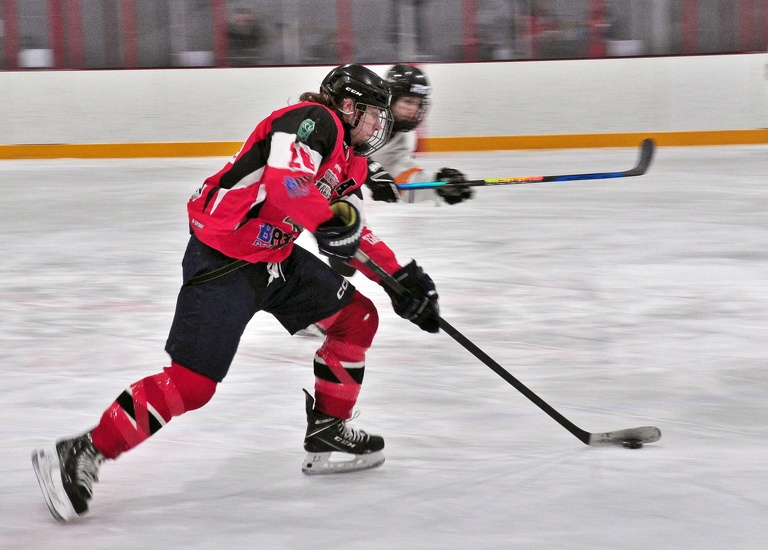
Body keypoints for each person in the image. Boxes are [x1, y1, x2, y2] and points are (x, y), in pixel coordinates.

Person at [32, 64, 442, 522]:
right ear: (347, 106)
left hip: (275, 258)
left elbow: (346, 233)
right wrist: (329, 224)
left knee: (357, 318)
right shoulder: (313, 120)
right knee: (193, 384)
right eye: (372, 115)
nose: (378, 126)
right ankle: (82, 450)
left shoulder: (352, 160)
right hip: (223, 259)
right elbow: (286, 184)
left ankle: (328, 429)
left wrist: (399, 278)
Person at [364, 63, 473, 206]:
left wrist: (438, 186)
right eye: (408, 101)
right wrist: (368, 172)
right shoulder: (363, 116)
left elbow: (402, 176)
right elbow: (340, 152)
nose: (414, 109)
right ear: (390, 99)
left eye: (418, 103)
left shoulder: (406, 138)